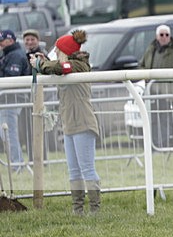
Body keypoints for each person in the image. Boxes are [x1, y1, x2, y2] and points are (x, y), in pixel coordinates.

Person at [29, 30, 101, 215]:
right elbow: (57, 67)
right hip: (69, 124)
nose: (56, 53)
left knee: (87, 168)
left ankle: (95, 209)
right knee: (74, 170)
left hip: (83, 122)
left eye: (58, 50)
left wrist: (40, 64)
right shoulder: (68, 64)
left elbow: (62, 68)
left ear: (66, 51)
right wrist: (44, 61)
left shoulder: (79, 65)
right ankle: (78, 209)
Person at [138, 25, 173, 148]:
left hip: (170, 91)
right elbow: (141, 65)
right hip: (153, 91)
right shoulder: (151, 49)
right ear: (157, 36)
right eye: (161, 35)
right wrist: (146, 75)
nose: (164, 37)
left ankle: (164, 143)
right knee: (153, 118)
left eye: (167, 35)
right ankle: (154, 144)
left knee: (165, 118)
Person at [0, 30, 30, 172]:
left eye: (2, 40)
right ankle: (16, 163)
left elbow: (11, 78)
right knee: (6, 131)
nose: (0, 43)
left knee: (8, 132)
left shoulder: (15, 55)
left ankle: (17, 164)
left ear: (11, 40)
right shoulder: (9, 54)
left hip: (11, 98)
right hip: (8, 98)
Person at [20, 29, 48, 162]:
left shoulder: (42, 56)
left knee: (40, 129)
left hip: (40, 97)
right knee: (28, 129)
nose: (30, 42)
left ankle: (42, 159)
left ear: (38, 40)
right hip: (28, 98)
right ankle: (32, 159)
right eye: (27, 39)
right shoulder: (23, 56)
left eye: (32, 39)